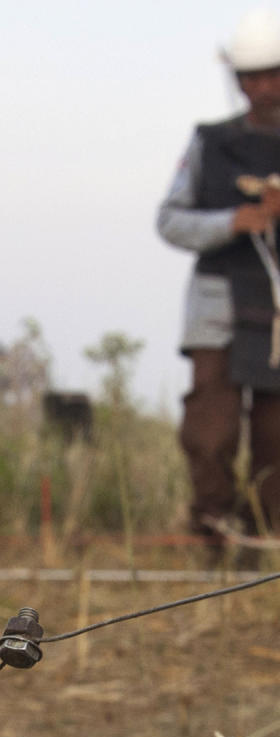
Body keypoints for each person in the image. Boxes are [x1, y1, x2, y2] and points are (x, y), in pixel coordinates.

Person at [157, 7, 280, 549]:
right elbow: (170, 220)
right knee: (212, 431)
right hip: (218, 312)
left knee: (276, 436)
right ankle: (213, 535)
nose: (264, 87)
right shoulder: (209, 143)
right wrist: (233, 221)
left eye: (274, 74)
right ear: (239, 81)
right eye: (252, 76)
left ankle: (269, 541)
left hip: (276, 314)